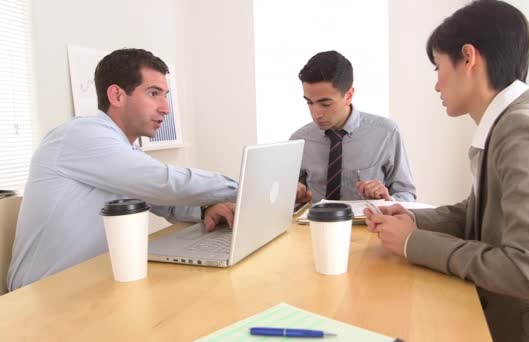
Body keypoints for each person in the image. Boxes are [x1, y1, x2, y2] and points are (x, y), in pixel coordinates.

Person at [364, 1, 529, 341]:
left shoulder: (524, 131)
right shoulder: (511, 122)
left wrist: (413, 243)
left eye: (438, 68)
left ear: (468, 57)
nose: (436, 85)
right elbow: (477, 212)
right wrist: (413, 220)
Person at [8, 49, 238, 291]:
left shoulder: (123, 151)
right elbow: (165, 183)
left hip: (95, 283)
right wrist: (243, 188)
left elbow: (164, 199)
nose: (165, 108)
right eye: (153, 94)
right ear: (116, 95)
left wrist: (205, 209)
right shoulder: (81, 135)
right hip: (41, 294)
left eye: (165, 96)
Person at [291, 50, 416, 204]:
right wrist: (294, 199)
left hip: (368, 227)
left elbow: (407, 194)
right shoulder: (299, 140)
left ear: (349, 95)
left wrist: (388, 200)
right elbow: (288, 197)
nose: (316, 113)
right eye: (309, 102)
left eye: (325, 103)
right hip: (315, 227)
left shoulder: (386, 133)